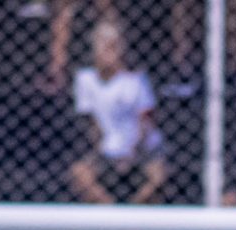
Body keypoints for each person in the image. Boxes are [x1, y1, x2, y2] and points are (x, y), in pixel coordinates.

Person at [70, 21, 168, 205]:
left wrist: (132, 152)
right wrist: (103, 151)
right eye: (103, 43)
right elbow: (91, 124)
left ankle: (133, 221)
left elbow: (146, 122)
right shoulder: (85, 79)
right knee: (80, 173)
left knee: (158, 175)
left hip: (138, 150)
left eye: (113, 44)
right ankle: (111, 216)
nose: (108, 49)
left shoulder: (136, 80)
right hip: (105, 150)